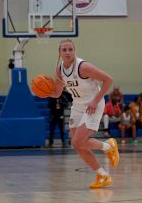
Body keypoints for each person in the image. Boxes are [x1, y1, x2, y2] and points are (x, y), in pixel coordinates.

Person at [50, 39, 119, 188]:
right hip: (78, 105)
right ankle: (103, 175)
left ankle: (109, 147)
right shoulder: (59, 69)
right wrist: (43, 92)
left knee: (78, 141)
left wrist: (95, 101)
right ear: (60, 53)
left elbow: (108, 80)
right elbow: (57, 93)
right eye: (64, 50)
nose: (68, 52)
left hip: (93, 104)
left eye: (70, 49)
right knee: (77, 145)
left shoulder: (83, 67)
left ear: (74, 51)